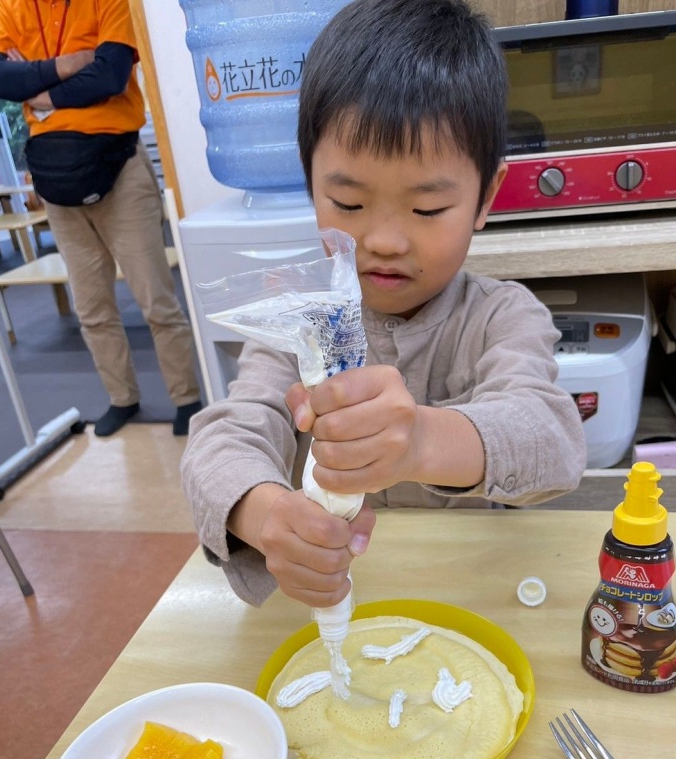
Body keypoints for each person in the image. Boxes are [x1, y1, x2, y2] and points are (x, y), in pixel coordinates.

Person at [180, 0, 586, 610]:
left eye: (427, 209)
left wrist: (422, 441)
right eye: (348, 203)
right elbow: (223, 441)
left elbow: (552, 440)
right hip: (335, 601)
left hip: (469, 593)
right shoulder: (301, 321)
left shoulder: (503, 315)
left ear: (485, 197)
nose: (386, 241)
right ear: (311, 183)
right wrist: (268, 516)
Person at [0, 0, 203, 437]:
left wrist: (41, 88)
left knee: (156, 298)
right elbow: (0, 79)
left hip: (118, 165)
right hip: (56, 177)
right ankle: (122, 397)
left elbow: (110, 75)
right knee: (90, 306)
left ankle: (187, 399)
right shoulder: (11, 7)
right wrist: (70, 64)